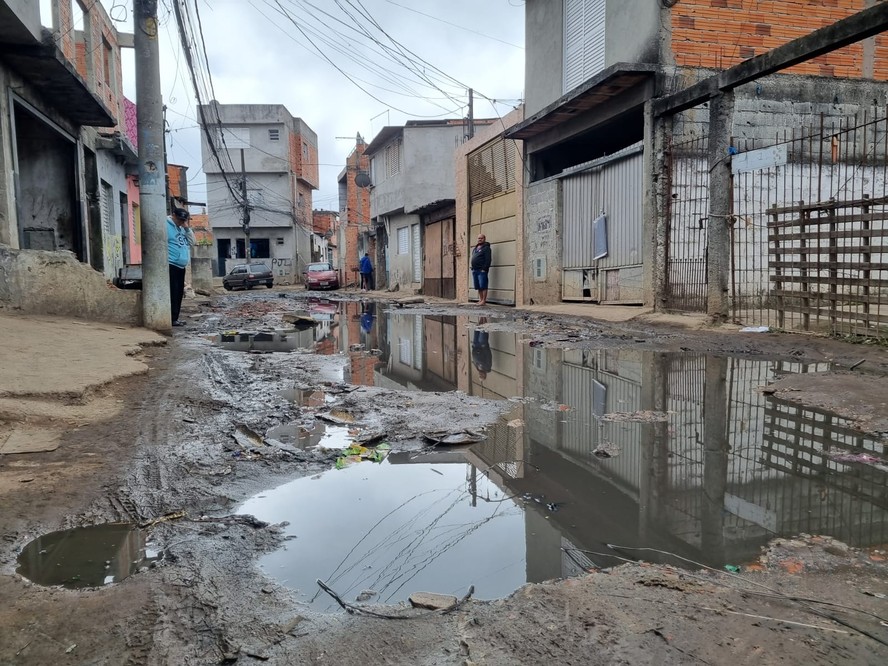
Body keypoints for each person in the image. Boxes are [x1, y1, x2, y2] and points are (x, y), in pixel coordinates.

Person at [167, 207, 195, 327]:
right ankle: (171, 318)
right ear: (173, 215)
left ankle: (175, 318)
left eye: (183, 220)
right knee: (173, 292)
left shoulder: (183, 228)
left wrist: (187, 228)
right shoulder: (165, 225)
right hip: (170, 264)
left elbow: (192, 242)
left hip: (180, 266)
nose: (180, 222)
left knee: (178, 293)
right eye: (179, 219)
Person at [470, 233, 491, 305]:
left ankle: (484, 301)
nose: (479, 239)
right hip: (475, 270)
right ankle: (481, 299)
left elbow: (488, 259)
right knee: (478, 286)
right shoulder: (475, 248)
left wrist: (484, 269)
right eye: (478, 238)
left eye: (481, 238)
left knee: (483, 285)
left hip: (482, 270)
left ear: (484, 239)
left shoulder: (486, 248)